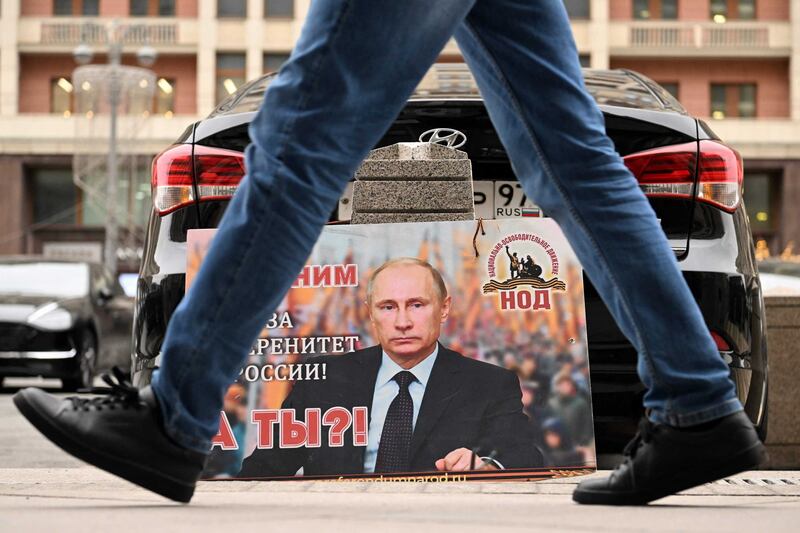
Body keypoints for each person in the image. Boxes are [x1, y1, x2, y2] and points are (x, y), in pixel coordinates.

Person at [13, 0, 764, 505]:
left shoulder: (488, 386)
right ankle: (696, 400)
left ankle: (173, 415)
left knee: (300, 142)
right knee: (567, 155)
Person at [239, 258, 541, 477]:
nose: (402, 322)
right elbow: (264, 467)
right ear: (371, 312)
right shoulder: (324, 379)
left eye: (417, 304)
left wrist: (485, 466)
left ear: (444, 308)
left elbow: (525, 457)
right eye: (388, 307)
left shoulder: (488, 383)